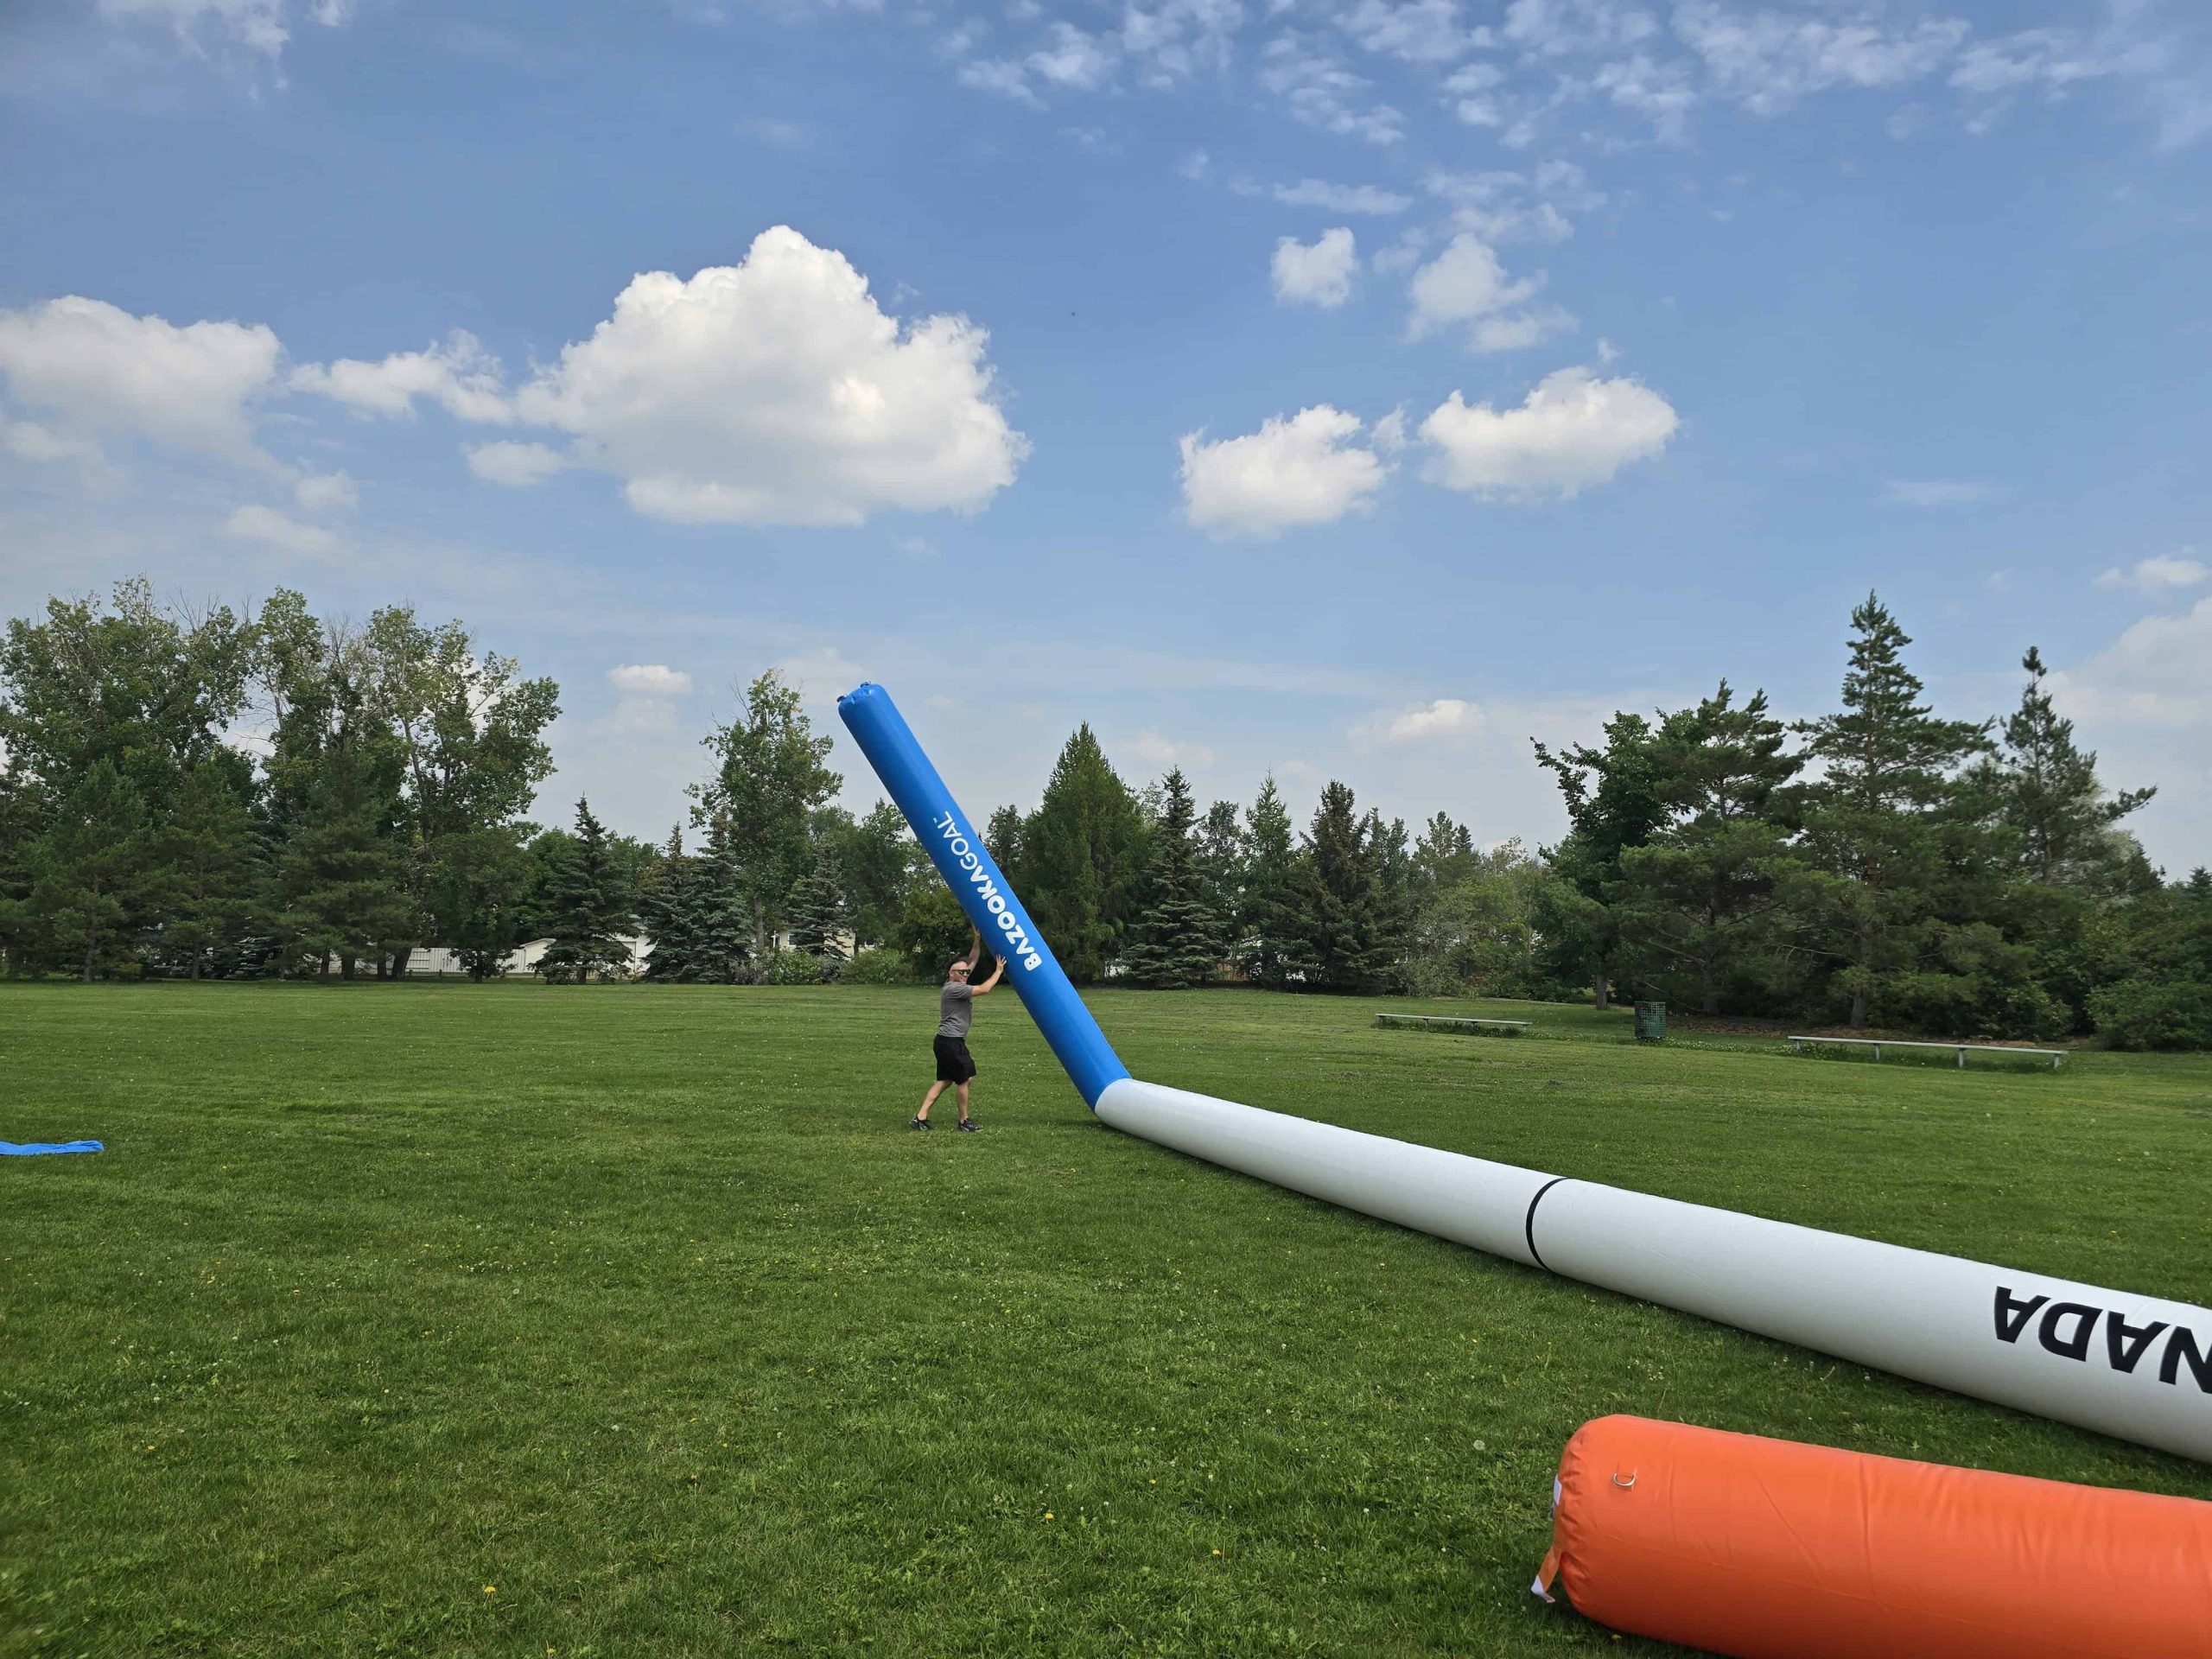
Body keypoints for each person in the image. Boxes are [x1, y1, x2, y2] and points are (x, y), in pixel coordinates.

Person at [913, 931, 1003, 1132]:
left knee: (945, 1080)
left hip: (946, 1042)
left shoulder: (957, 981)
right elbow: (984, 989)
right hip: (951, 1042)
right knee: (965, 1079)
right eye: (960, 972)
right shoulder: (954, 988)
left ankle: (920, 1117)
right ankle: (964, 1121)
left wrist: (977, 941)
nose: (964, 974)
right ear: (950, 974)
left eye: (966, 973)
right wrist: (998, 971)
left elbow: (971, 960)